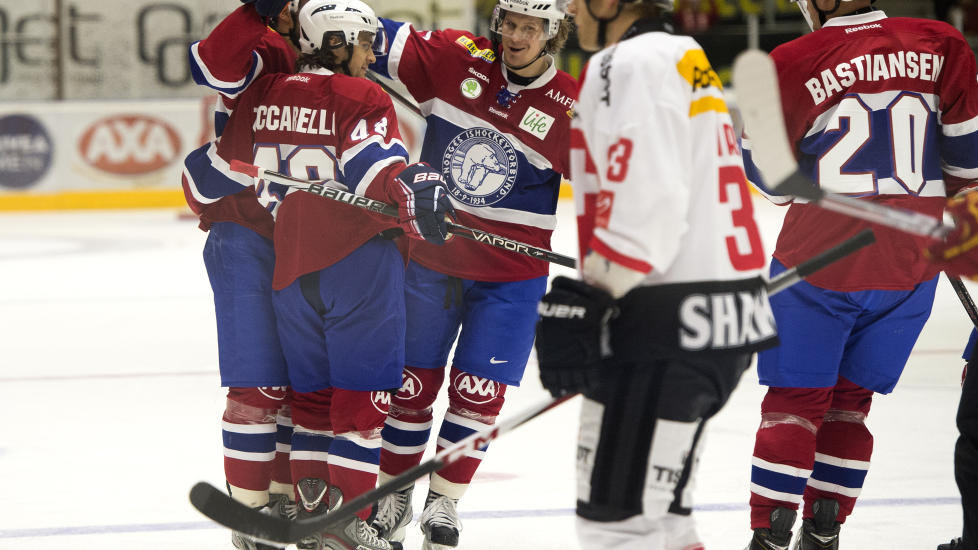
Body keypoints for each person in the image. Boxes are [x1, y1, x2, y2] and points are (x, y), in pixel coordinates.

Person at [533, 1, 779, 549]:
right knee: (665, 522)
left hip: (662, 328)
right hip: (720, 322)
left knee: (616, 526)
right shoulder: (685, 56)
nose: (570, 7)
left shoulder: (627, 62)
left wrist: (589, 295)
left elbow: (649, 203)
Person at [211, 1, 455, 549]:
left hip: (292, 264)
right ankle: (350, 523)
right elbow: (375, 168)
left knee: (314, 401)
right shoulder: (360, 95)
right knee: (362, 403)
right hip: (357, 260)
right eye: (365, 44)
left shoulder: (269, 92)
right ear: (337, 41)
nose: (372, 57)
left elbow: (230, 162)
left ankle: (315, 515)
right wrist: (411, 183)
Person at [738, 1, 978, 548]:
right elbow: (967, 165)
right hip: (911, 264)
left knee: (794, 405)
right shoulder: (941, 43)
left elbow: (771, 183)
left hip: (819, 261)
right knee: (851, 404)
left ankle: (769, 534)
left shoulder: (792, 59)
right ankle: (825, 530)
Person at [365, 2, 577, 548]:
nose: (516, 36)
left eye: (531, 28)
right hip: (432, 263)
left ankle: (444, 502)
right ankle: (394, 496)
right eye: (510, 23)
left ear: (552, 34)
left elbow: (620, 188)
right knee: (409, 387)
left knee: (477, 393)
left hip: (511, 278)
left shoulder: (573, 108)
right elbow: (360, 32)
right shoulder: (454, 59)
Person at [181, 1, 302, 548]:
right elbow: (213, 66)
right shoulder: (267, 46)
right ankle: (252, 515)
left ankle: (283, 497)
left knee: (309, 384)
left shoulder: (346, 48)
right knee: (258, 384)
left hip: (318, 239)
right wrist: (254, 11)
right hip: (248, 232)